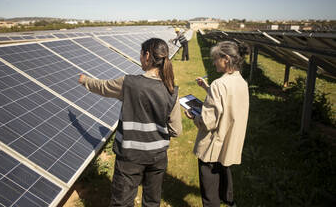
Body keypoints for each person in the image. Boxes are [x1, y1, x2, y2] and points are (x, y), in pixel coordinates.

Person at [78, 38, 182, 207]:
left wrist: (85, 80)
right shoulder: (171, 89)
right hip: (158, 158)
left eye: (141, 54)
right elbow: (176, 130)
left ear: (147, 55)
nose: (140, 58)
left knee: (122, 203)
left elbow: (103, 87)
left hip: (130, 158)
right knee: (152, 202)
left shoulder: (129, 84)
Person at [184, 41, 250, 207]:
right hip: (229, 142)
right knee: (225, 179)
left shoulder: (219, 84)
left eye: (215, 59)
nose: (213, 62)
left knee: (210, 192)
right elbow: (228, 103)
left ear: (226, 59)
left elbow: (208, 122)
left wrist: (194, 116)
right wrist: (207, 88)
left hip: (212, 147)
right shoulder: (241, 81)